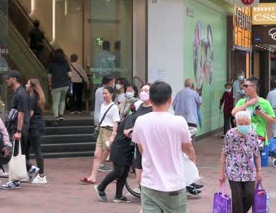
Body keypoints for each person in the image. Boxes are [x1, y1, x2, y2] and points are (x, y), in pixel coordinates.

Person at [132, 81, 196, 213]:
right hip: (174, 185)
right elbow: (187, 147)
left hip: (150, 184)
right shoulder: (179, 121)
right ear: (170, 100)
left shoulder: (141, 121)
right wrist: (193, 160)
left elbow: (141, 148)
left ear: (150, 99)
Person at [2, 70, 40, 190]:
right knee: (16, 153)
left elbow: (21, 114)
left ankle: (15, 181)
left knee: (14, 154)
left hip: (19, 128)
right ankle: (29, 170)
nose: (7, 80)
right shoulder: (19, 92)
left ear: (14, 79)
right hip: (18, 127)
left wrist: (18, 131)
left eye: (8, 78)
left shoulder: (20, 94)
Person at [220, 111, 262, 213]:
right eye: (241, 124)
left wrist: (259, 171)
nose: (244, 126)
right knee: (237, 198)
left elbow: (257, 155)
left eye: (246, 123)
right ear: (236, 123)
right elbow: (224, 154)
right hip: (233, 171)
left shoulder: (253, 135)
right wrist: (221, 173)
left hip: (249, 171)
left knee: (250, 195)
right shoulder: (230, 134)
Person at [81, 86, 120, 184]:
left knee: (114, 154)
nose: (104, 95)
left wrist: (113, 135)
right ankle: (93, 177)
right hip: (101, 131)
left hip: (109, 131)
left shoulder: (114, 107)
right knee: (97, 154)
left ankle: (118, 175)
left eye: (106, 93)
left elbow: (116, 122)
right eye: (103, 93)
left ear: (111, 94)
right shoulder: (103, 105)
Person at [123, 84, 153, 198]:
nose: (144, 92)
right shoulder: (139, 106)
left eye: (147, 90)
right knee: (139, 177)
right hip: (137, 144)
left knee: (149, 172)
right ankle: (146, 195)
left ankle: (150, 198)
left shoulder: (154, 109)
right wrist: (130, 130)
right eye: (142, 90)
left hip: (149, 146)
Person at [232, 77, 276, 148]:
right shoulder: (242, 102)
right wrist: (247, 103)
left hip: (260, 140)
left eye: (246, 86)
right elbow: (233, 113)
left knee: (260, 159)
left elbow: (273, 120)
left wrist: (261, 114)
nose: (244, 88)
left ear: (254, 88)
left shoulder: (265, 103)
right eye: (243, 86)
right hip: (243, 140)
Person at [26, 78, 47, 184]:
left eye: (28, 84)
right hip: (38, 125)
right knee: (29, 150)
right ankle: (30, 172)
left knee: (36, 150)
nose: (26, 85)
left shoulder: (32, 98)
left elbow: (30, 114)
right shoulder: (38, 96)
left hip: (33, 126)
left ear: (32, 86)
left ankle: (41, 175)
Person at [93, 75, 115, 172]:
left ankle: (99, 163)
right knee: (107, 144)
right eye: (113, 81)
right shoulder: (107, 92)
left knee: (100, 143)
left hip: (97, 118)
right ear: (110, 82)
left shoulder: (98, 90)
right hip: (104, 121)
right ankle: (101, 164)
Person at [48, 49, 72, 124]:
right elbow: (70, 74)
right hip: (65, 85)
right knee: (62, 100)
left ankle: (56, 116)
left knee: (55, 101)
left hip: (56, 85)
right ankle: (61, 115)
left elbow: (49, 76)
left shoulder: (51, 64)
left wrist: (50, 84)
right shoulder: (66, 63)